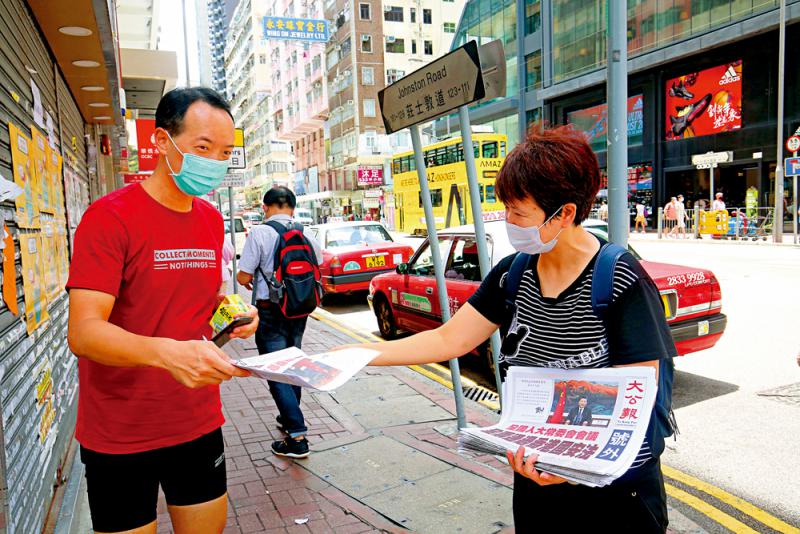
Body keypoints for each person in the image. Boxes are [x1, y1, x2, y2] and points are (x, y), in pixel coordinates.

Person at [355, 125, 676, 532]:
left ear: (565, 214)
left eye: (519, 212)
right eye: (506, 207)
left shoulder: (620, 279)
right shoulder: (513, 274)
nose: (508, 221)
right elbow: (448, 338)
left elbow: (638, 390)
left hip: (614, 493)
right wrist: (354, 356)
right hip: (536, 484)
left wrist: (575, 465)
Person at [66, 87, 258, 534]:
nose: (215, 161)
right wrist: (168, 354)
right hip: (120, 430)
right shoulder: (109, 217)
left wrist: (234, 314)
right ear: (162, 142)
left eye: (225, 151)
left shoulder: (211, 220)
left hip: (196, 420)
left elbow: (204, 300)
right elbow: (84, 332)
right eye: (202, 147)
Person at [236, 186, 322, 459]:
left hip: (270, 309)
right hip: (299, 308)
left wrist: (258, 279)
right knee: (293, 363)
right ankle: (288, 418)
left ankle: (297, 436)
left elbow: (242, 277)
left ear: (266, 207)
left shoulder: (260, 233)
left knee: (275, 369)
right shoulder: (306, 231)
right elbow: (318, 262)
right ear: (293, 207)